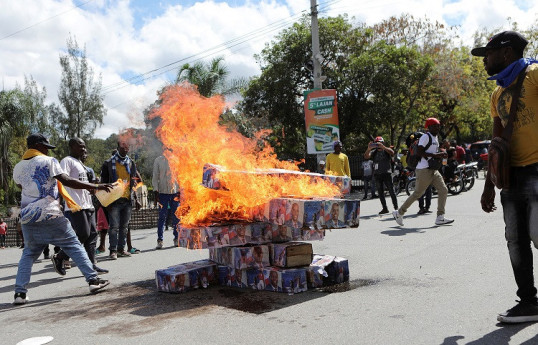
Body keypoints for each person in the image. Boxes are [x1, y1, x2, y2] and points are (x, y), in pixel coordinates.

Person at [473, 30, 538, 323]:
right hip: (511, 177)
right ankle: (528, 302)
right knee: (515, 239)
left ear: (507, 53)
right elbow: (497, 141)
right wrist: (489, 185)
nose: (484, 60)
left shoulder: (535, 75)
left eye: (488, 54)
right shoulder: (497, 93)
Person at [12, 133, 112, 305]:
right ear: (37, 145)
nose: (47, 151)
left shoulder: (18, 167)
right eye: (45, 147)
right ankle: (93, 281)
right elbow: (67, 180)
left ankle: (20, 293)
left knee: (28, 254)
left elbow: (21, 186)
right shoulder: (49, 162)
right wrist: (95, 186)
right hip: (50, 213)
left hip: (28, 216)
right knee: (73, 244)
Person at [54, 138, 109, 274]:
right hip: (75, 205)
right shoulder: (67, 161)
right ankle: (60, 256)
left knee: (92, 236)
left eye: (84, 147)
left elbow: (86, 185)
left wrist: (94, 185)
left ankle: (92, 265)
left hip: (88, 204)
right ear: (72, 146)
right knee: (83, 234)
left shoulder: (81, 164)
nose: (84, 149)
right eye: (81, 146)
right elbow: (65, 181)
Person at [392, 118, 454, 226]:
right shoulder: (426, 137)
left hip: (433, 169)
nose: (437, 127)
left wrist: (441, 154)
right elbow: (419, 151)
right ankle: (399, 213)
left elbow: (432, 152)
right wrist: (435, 155)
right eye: (435, 125)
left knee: (443, 190)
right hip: (423, 170)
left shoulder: (435, 137)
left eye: (438, 125)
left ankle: (440, 217)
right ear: (429, 127)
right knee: (417, 194)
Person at [100, 140, 142, 260]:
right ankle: (112, 250)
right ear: (118, 147)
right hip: (114, 201)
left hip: (127, 200)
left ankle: (121, 249)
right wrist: (106, 202)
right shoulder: (109, 163)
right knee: (113, 227)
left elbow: (133, 182)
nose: (125, 149)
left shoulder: (130, 163)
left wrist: (136, 199)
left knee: (124, 226)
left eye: (127, 146)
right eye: (122, 147)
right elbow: (104, 183)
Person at [364, 136, 398, 214]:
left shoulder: (386, 150)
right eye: (377, 143)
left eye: (380, 143)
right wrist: (369, 148)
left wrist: (383, 147)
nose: (378, 145)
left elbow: (392, 153)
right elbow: (366, 156)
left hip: (387, 173)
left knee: (391, 191)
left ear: (383, 143)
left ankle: (396, 208)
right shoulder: (374, 152)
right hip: (377, 175)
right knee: (380, 192)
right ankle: (385, 208)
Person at [152, 154, 180, 249]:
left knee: (176, 216)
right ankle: (160, 240)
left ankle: (176, 238)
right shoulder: (158, 160)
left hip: (174, 193)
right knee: (162, 217)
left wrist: (180, 191)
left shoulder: (176, 159)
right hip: (162, 193)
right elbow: (155, 177)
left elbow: (179, 176)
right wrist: (156, 191)